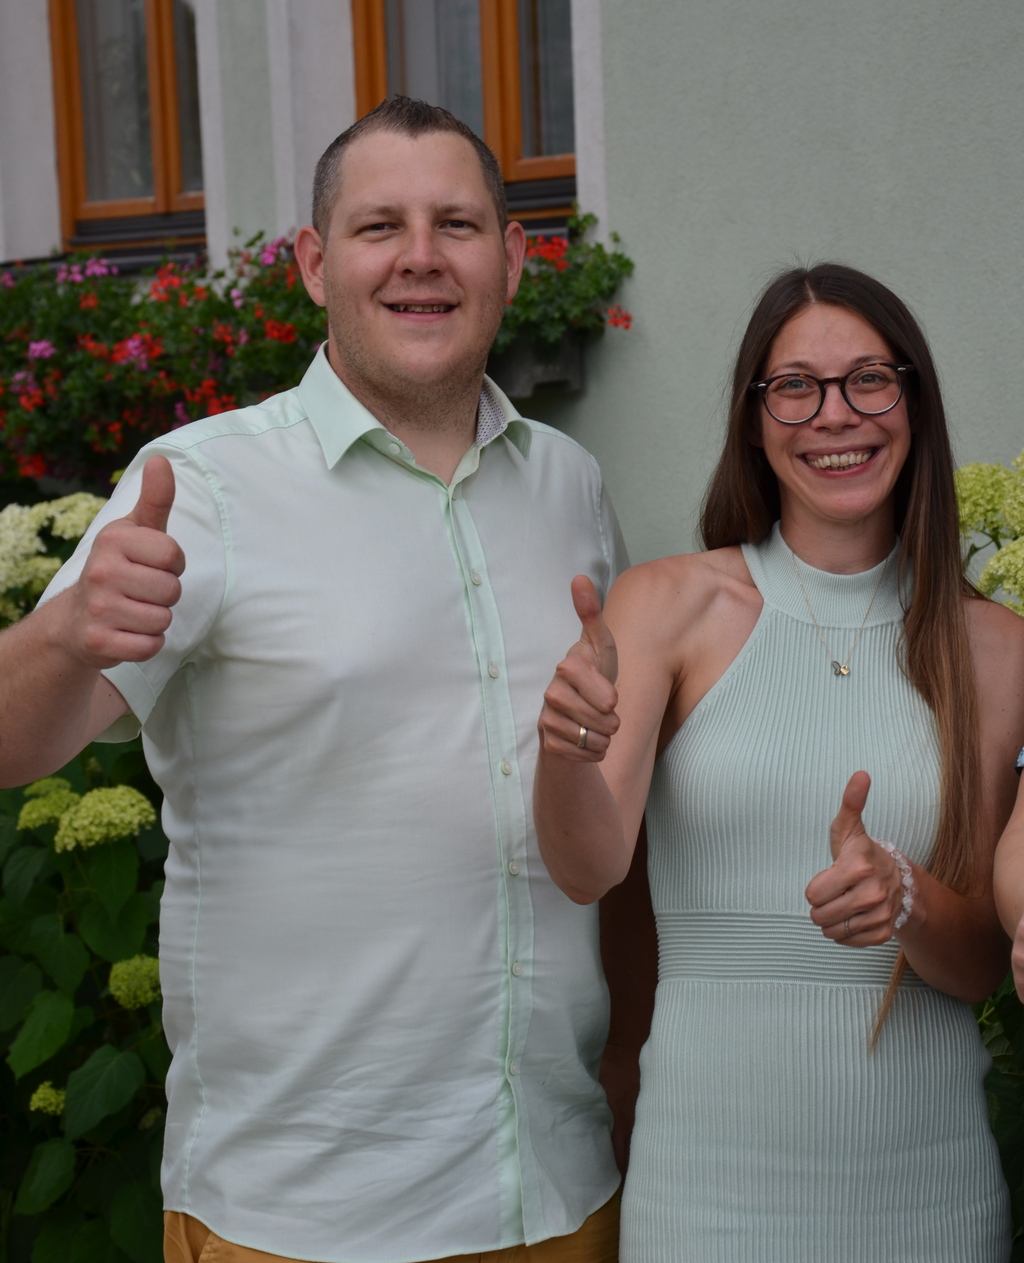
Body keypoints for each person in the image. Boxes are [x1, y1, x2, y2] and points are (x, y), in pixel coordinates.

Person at [0, 98, 627, 1263]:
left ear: (514, 256)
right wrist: (69, 633)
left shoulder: (572, 489)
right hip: (302, 1211)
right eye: (378, 226)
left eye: (458, 224)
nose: (421, 258)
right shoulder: (200, 485)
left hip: (553, 1187)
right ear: (311, 262)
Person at [534, 263, 1024, 1261]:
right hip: (704, 1197)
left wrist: (902, 894)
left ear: (913, 403)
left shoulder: (995, 648)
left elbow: (979, 964)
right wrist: (565, 751)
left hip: (928, 1198)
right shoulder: (668, 604)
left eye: (867, 380)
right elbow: (587, 866)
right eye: (793, 386)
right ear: (754, 422)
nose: (833, 415)